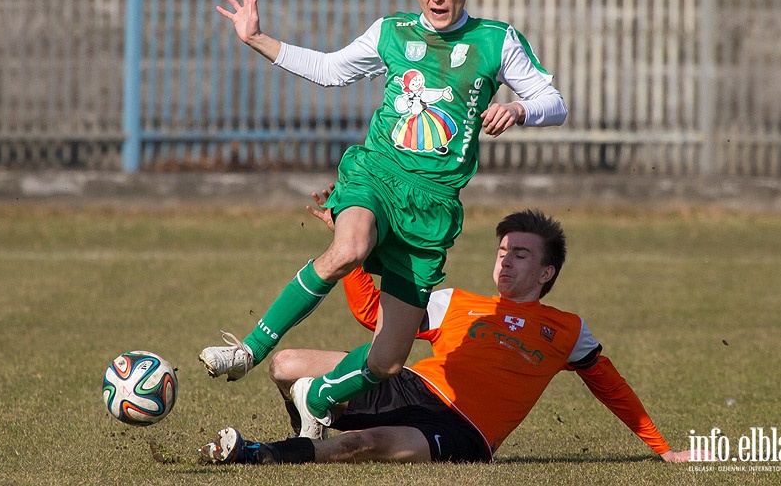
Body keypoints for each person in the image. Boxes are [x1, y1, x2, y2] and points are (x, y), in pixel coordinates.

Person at [199, 0, 567, 440]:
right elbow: (331, 70)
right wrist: (257, 38)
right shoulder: (391, 32)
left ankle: (319, 397)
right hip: (377, 173)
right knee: (349, 248)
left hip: (433, 205)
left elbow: (554, 101)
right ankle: (247, 350)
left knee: (389, 359)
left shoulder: (496, 41)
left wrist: (521, 109)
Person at [199, 199, 702, 465]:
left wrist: (662, 448)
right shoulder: (457, 302)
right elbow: (375, 317)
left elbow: (610, 386)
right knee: (285, 364)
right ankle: (312, 426)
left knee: (369, 443)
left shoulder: (569, 330)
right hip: (413, 385)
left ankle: (258, 455)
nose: (505, 260)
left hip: (465, 432)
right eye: (502, 251)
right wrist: (346, 249)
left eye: (520, 254)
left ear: (547, 273)